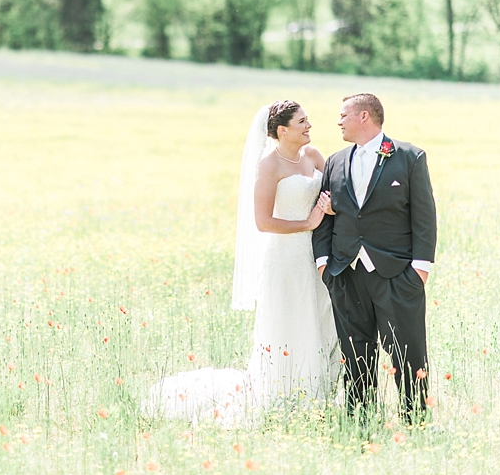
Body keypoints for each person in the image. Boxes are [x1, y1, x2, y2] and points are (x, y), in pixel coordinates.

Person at [144, 101, 338, 425]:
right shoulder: (269, 166)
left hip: (315, 257)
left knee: (318, 318)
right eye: (302, 121)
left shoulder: (315, 156)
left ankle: (322, 392)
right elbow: (263, 221)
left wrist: (329, 209)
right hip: (286, 257)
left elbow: (330, 197)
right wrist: (308, 223)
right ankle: (286, 395)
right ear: (282, 130)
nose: (309, 126)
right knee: (289, 323)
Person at [312, 93, 437, 424]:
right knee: (355, 355)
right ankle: (359, 424)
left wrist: (420, 270)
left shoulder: (409, 157)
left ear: (364, 116)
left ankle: (415, 422)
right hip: (346, 273)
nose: (338, 122)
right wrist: (324, 265)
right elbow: (326, 215)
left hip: (397, 275)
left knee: (408, 353)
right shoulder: (335, 161)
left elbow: (424, 217)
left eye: (343, 115)